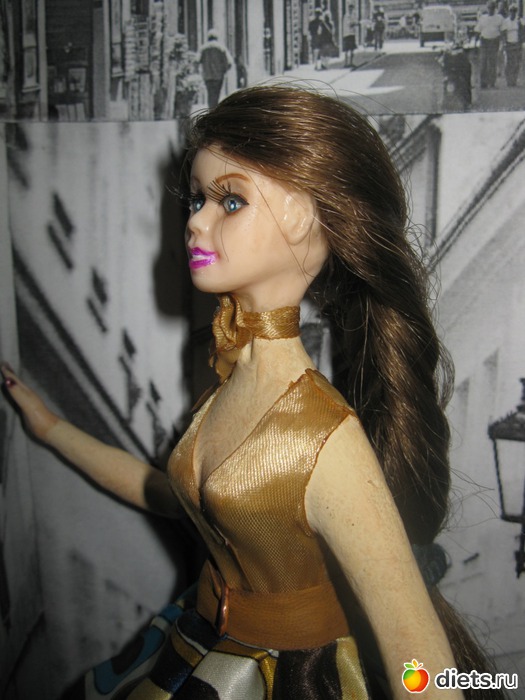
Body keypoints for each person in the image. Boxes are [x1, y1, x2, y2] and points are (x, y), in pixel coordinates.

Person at [1, 86, 507, 700]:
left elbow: (421, 666)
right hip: (194, 645)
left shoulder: (321, 436)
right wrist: (52, 429)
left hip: (286, 678)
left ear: (302, 218)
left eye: (230, 201)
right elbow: (169, 495)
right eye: (197, 199)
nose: (195, 220)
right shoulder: (225, 385)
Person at [197, 29, 232, 108]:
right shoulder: (221, 48)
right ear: (217, 38)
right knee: (216, 94)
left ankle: (211, 109)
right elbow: (229, 63)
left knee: (210, 94)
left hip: (207, 76)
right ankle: (214, 109)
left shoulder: (203, 48)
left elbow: (197, 60)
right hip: (218, 76)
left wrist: (202, 70)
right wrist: (224, 70)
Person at [475, 0, 504, 88]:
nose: (490, 10)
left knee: (492, 62)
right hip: (484, 41)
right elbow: (477, 30)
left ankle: (492, 82)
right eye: (489, 8)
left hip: (494, 41)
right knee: (483, 61)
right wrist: (475, 42)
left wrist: (502, 42)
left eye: (492, 8)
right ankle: (483, 83)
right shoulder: (483, 18)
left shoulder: (499, 18)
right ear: (487, 8)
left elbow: (503, 31)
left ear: (495, 9)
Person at [501, 4, 524, 86]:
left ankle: (514, 80)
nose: (513, 13)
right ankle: (509, 80)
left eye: (514, 11)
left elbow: (522, 33)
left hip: (516, 44)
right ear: (509, 12)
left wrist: (521, 43)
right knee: (509, 62)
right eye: (511, 11)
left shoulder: (519, 21)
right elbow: (503, 34)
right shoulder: (506, 22)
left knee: (516, 62)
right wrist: (504, 43)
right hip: (509, 44)